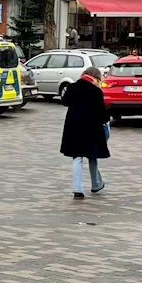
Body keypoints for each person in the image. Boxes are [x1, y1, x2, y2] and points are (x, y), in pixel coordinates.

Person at [60, 66, 110, 199]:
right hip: (92, 128)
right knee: (92, 156)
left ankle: (77, 189)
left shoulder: (72, 87)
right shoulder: (96, 91)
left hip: (73, 127)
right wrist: (106, 120)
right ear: (95, 78)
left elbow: (65, 102)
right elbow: (102, 114)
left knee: (77, 157)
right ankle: (96, 184)